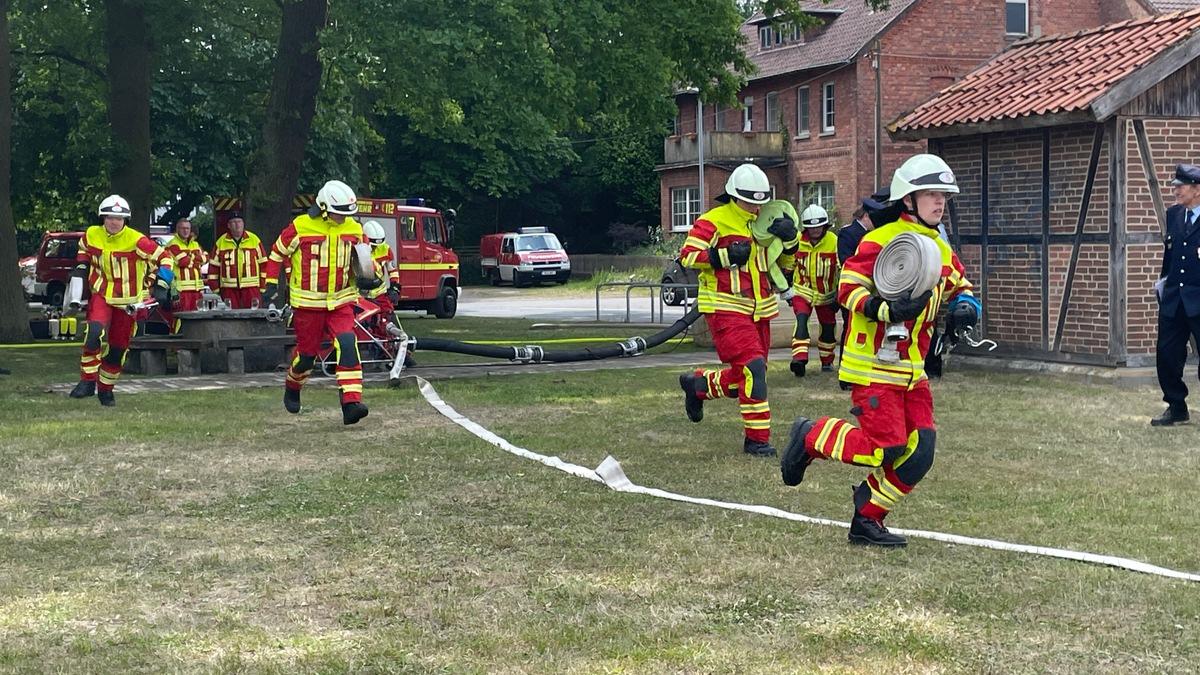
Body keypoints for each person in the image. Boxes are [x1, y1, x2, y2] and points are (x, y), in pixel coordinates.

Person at [779, 154, 981, 547]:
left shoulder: (941, 247)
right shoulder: (879, 241)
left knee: (920, 453)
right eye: (932, 194)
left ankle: (867, 520)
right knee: (884, 448)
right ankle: (811, 437)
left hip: (912, 370)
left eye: (945, 196)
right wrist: (883, 308)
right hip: (873, 365)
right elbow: (847, 289)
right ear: (908, 199)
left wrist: (965, 308)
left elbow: (962, 287)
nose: (940, 202)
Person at [678, 163, 799, 457]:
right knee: (752, 370)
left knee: (747, 377)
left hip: (761, 310)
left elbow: (783, 266)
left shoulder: (767, 222)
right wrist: (724, 255)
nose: (755, 207)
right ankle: (757, 440)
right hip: (725, 307)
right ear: (733, 195)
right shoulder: (713, 221)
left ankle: (698, 385)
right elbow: (687, 257)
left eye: (760, 201)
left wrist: (792, 241)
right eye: (749, 201)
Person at [261, 180, 381, 425]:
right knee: (306, 357)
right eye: (339, 213)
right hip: (307, 305)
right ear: (323, 208)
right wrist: (270, 284)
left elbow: (367, 260)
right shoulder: (300, 227)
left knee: (348, 345)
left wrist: (371, 277)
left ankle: (351, 403)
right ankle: (293, 385)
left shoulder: (354, 229)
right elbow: (276, 254)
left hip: (341, 301)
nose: (343, 218)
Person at [67, 195, 175, 406]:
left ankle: (106, 390)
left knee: (117, 349)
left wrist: (161, 285)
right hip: (102, 294)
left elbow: (166, 258)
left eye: (119, 218)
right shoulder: (92, 234)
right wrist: (81, 267)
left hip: (128, 302)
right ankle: (87, 382)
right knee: (93, 335)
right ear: (103, 217)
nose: (114, 222)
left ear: (126, 220)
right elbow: (84, 249)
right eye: (110, 217)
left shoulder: (137, 240)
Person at [1151, 163, 1200, 426]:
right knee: (1167, 354)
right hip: (1173, 299)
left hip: (1199, 299)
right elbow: (1170, 256)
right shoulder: (1174, 215)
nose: (1176, 190)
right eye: (1175, 186)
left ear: (1197, 189)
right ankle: (1176, 406)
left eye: (1180, 186)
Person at [835, 189, 889, 390]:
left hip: (875, 289)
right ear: (866, 216)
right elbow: (846, 261)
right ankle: (846, 375)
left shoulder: (874, 235)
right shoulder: (848, 233)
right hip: (852, 288)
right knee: (850, 329)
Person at [788, 204, 840, 377]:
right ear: (805, 228)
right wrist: (786, 290)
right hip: (803, 291)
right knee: (801, 321)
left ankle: (827, 361)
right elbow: (789, 265)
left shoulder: (834, 242)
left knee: (828, 328)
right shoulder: (796, 241)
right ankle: (799, 360)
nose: (815, 230)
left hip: (827, 295)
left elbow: (843, 268)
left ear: (825, 226)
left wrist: (840, 295)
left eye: (818, 226)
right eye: (811, 227)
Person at [207, 210, 266, 309]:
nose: (237, 225)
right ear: (229, 225)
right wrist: (216, 288)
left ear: (243, 224)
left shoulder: (254, 239)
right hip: (229, 289)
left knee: (253, 317)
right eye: (234, 222)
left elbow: (263, 264)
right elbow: (213, 267)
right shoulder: (221, 242)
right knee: (231, 318)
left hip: (251, 288)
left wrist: (263, 287)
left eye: (239, 221)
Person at [162, 217, 207, 333]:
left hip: (196, 290)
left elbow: (207, 258)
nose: (186, 231)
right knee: (179, 319)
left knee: (196, 318)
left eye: (188, 228)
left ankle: (192, 343)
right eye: (182, 228)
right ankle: (176, 347)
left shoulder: (195, 244)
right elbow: (183, 262)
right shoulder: (172, 245)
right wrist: (196, 259)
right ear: (177, 229)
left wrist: (190, 257)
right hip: (180, 290)